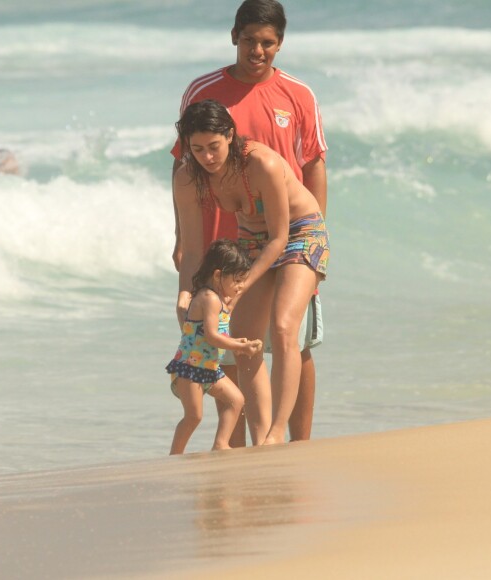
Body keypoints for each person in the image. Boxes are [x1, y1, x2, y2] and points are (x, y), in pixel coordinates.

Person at [171, 0, 327, 444]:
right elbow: (188, 209)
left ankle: (291, 439)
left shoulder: (297, 96)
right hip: (242, 236)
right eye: (248, 40)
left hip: (294, 230)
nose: (257, 50)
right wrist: (184, 261)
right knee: (239, 340)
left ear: (279, 44)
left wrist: (314, 251)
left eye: (267, 42)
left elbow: (314, 164)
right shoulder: (202, 97)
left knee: (290, 333)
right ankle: (246, 445)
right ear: (233, 36)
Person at [166, 238, 263, 455]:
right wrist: (240, 347)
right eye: (237, 281)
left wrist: (239, 343)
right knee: (194, 416)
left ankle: (220, 443)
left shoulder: (218, 298)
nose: (240, 287)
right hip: (190, 368)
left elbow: (215, 334)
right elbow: (211, 336)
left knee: (236, 400)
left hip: (208, 368)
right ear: (218, 275)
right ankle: (174, 455)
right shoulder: (208, 298)